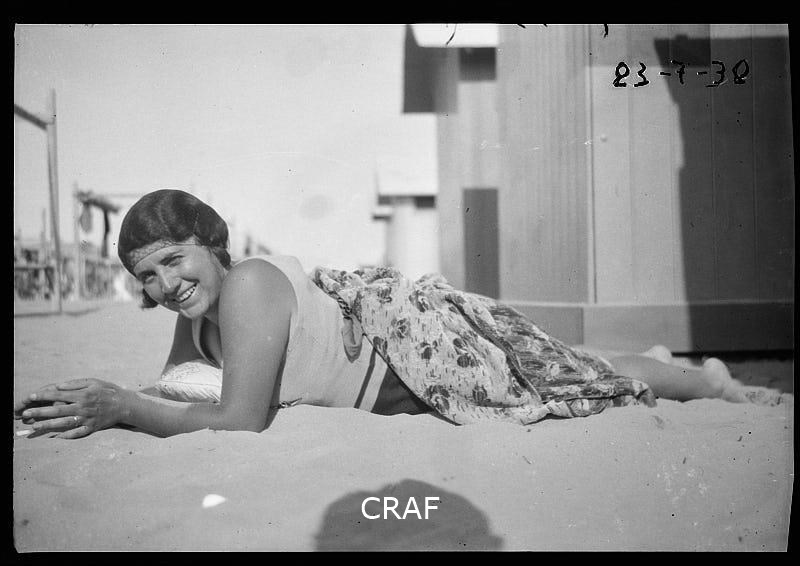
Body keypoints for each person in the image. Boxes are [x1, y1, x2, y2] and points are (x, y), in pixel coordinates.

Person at [13, 190, 750, 439]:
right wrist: (91, 402)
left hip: (412, 366)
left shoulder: (246, 287)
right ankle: (672, 366)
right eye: (148, 275)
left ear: (211, 243)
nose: (167, 284)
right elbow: (175, 391)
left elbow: (238, 420)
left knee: (578, 378)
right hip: (394, 377)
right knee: (570, 367)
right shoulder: (199, 312)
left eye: (175, 260)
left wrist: (121, 407)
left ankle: (709, 381)